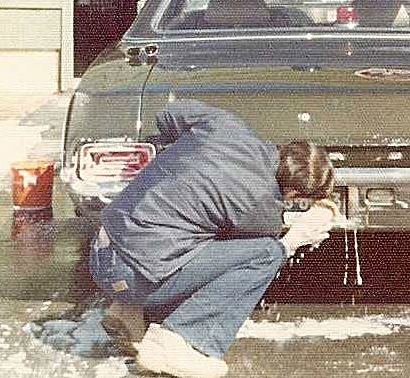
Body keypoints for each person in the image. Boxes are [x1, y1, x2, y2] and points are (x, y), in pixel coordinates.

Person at [89, 99, 336, 378]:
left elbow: (168, 114)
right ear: (291, 194)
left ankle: (126, 311)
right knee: (268, 252)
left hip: (101, 247)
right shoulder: (260, 210)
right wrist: (297, 237)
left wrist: (185, 156)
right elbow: (236, 260)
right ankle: (176, 343)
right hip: (128, 276)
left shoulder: (226, 126)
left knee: (181, 230)